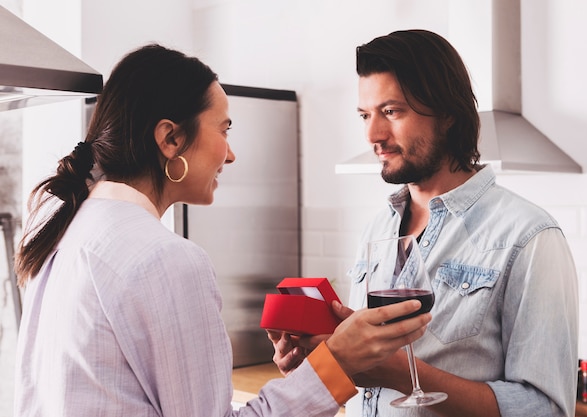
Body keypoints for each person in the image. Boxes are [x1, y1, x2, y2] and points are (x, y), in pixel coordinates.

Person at [12, 43, 433, 417]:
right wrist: (338, 361)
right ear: (170, 140)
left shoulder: (67, 227)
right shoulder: (166, 258)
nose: (230, 154)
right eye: (224, 128)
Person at [270, 29, 579, 417]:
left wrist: (401, 374)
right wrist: (317, 368)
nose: (373, 135)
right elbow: (361, 380)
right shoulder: (377, 230)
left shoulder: (528, 237)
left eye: (392, 112)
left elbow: (546, 410)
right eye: (365, 115)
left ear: (447, 114)